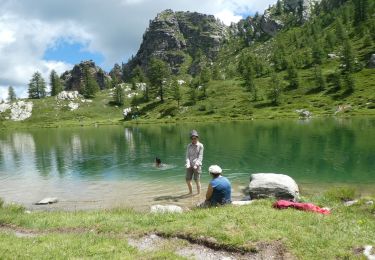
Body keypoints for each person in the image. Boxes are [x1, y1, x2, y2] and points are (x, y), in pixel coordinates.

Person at [185, 130, 204, 194]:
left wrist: (196, 164)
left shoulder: (200, 146)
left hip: (197, 165)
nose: (193, 140)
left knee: (197, 180)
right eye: (192, 138)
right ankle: (190, 192)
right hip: (189, 165)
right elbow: (187, 156)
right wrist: (187, 163)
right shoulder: (189, 146)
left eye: (195, 138)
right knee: (187, 180)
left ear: (197, 138)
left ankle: (199, 194)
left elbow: (200, 156)